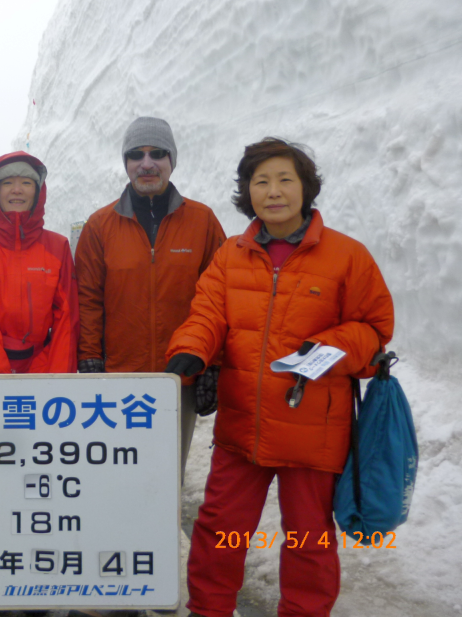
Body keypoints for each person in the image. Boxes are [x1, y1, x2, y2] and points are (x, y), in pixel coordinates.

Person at [166, 138, 394, 617]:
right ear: (247, 191)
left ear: (306, 188)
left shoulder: (346, 256)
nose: (273, 191)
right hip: (241, 426)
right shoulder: (231, 255)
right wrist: (190, 350)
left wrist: (331, 345)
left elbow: (374, 332)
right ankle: (209, 611)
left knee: (308, 540)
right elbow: (206, 314)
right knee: (219, 533)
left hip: (313, 432)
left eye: (285, 179)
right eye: (261, 181)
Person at [74, 116, 226, 485]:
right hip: (120, 380)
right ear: (125, 163)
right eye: (135, 155)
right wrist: (91, 357)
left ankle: (160, 543)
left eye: (157, 153)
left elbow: (221, 298)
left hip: (181, 379)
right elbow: (88, 297)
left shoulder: (202, 222)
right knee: (117, 474)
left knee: (167, 474)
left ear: (172, 160)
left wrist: (214, 364)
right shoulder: (100, 225)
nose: (146, 163)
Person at [0, 151, 78, 374]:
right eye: (7, 183)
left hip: (43, 367)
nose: (17, 190)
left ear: (38, 191)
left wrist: (60, 378)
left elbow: (67, 318)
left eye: (26, 182)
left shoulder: (57, 246)